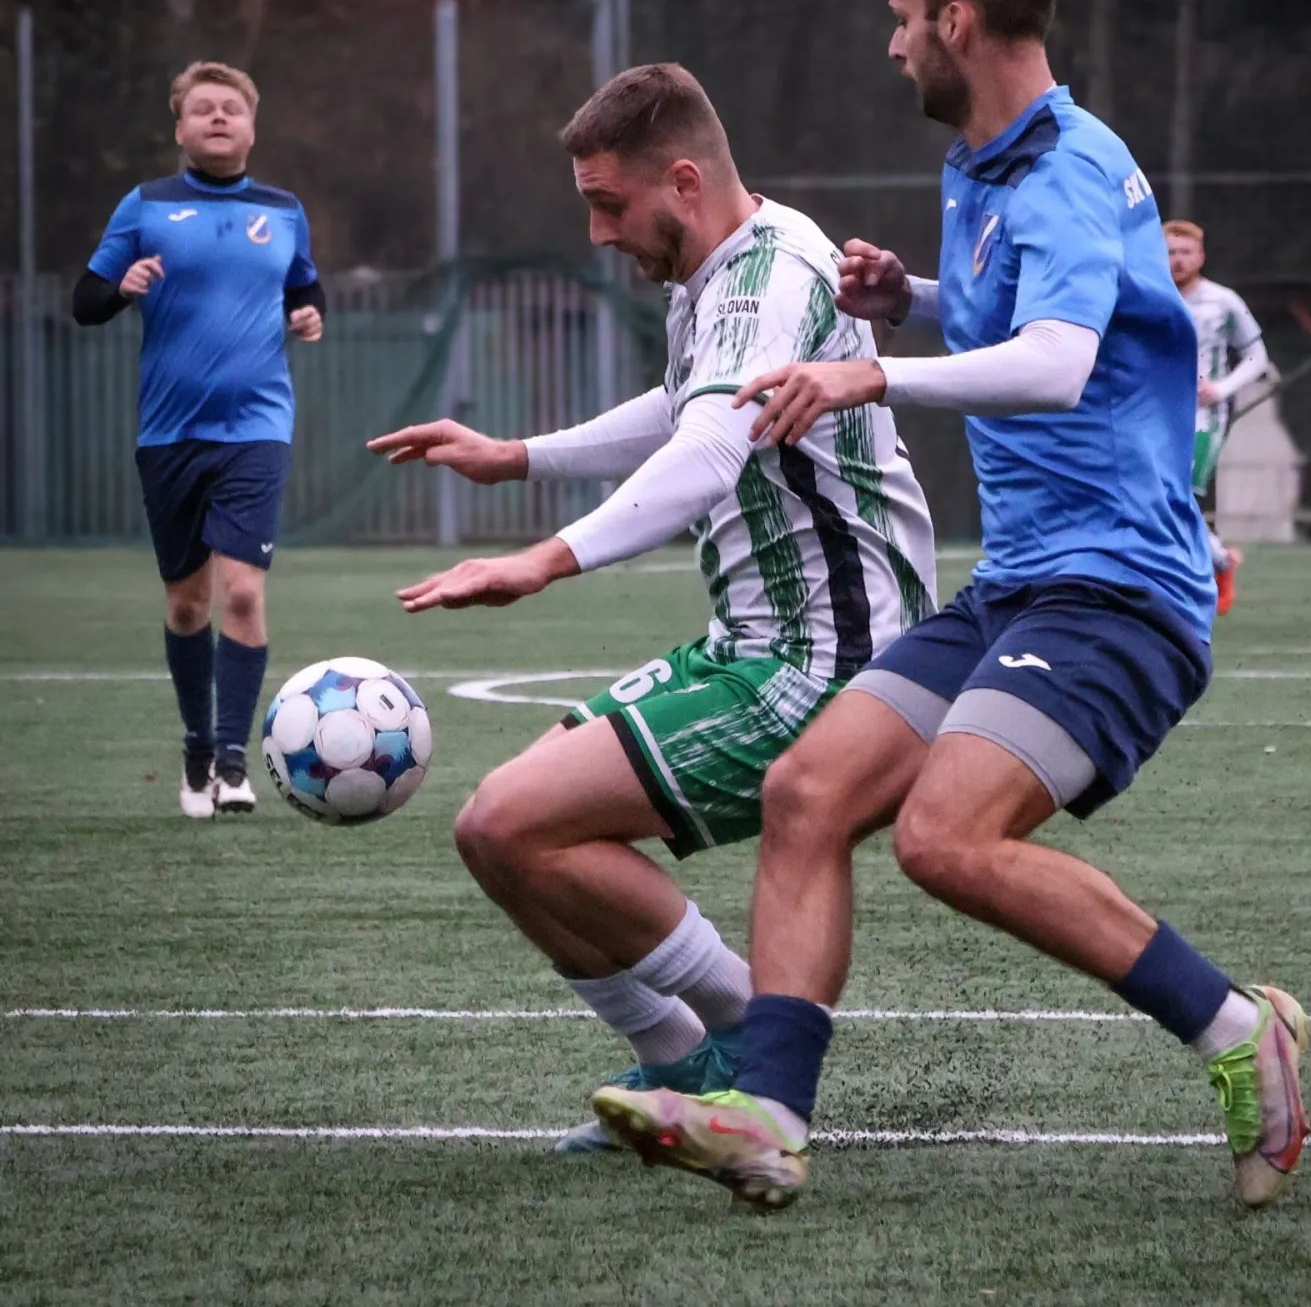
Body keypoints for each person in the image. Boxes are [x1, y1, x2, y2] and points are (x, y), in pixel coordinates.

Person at [593, 0, 1310, 1214]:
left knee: (943, 835)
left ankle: (1237, 1027)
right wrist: (909, 298)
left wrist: (873, 371)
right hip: (1022, 585)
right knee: (808, 793)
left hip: (1120, 590)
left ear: (959, 21)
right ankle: (768, 1118)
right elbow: (1033, 316)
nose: (893, 41)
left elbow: (1055, 363)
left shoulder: (1065, 169)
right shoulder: (988, 160)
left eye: (903, 13)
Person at [369, 63, 936, 1152]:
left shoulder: (769, 275)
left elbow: (712, 450)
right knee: (494, 833)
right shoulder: (719, 271)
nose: (595, 233)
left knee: (514, 820)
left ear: (683, 181)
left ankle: (750, 1031)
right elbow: (687, 405)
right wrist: (518, 456)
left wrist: (545, 560)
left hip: (834, 660)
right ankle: (681, 1059)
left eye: (607, 204)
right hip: (754, 645)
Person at [74, 61, 324, 818]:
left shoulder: (283, 211)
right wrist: (122, 289)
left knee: (242, 591)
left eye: (231, 109)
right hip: (170, 433)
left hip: (257, 427)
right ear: (180, 128)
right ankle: (196, 748)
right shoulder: (146, 205)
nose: (219, 117)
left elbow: (304, 284)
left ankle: (233, 761)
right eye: (203, 108)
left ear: (252, 126)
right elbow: (85, 300)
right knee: (188, 605)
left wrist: (308, 314)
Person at [1164, 219, 1270, 616]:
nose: (1177, 260)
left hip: (1202, 415)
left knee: (1178, 494)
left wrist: (1222, 389)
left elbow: (1258, 357)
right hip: (1154, 411)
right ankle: (1217, 560)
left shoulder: (1223, 301)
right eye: (1170, 252)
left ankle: (1210, 568)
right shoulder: (1149, 294)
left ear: (1201, 256)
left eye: (1185, 252)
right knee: (1159, 494)